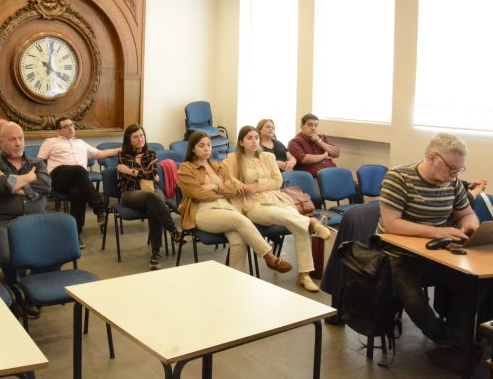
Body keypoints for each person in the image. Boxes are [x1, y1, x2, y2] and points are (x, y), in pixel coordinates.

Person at [377, 133, 481, 367]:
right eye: (451, 168)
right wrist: (437, 231)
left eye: (459, 170)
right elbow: (392, 224)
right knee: (414, 300)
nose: (455, 174)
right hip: (398, 255)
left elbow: (466, 213)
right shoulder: (398, 178)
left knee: (476, 282)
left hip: (437, 253)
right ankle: (450, 341)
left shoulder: (452, 182)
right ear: (433, 158)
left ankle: (452, 341)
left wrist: (470, 225)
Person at [224, 125, 332, 292]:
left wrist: (257, 185)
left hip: (275, 197)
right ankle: (310, 221)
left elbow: (277, 181)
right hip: (252, 204)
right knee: (278, 214)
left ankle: (304, 275)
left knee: (299, 227)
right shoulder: (232, 159)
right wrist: (240, 184)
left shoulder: (268, 157)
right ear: (241, 142)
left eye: (256, 137)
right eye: (249, 138)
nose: (254, 141)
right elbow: (226, 177)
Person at [177, 131, 293, 274]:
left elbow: (232, 190)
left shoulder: (218, 166)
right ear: (193, 149)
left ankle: (236, 278)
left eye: (208, 145)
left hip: (226, 208)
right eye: (201, 146)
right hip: (202, 211)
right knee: (240, 220)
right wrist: (221, 189)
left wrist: (214, 187)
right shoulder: (185, 168)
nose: (206, 148)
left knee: (239, 240)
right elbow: (197, 194)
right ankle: (268, 256)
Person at [0, 122, 51, 266]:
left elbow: (45, 186)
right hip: (4, 221)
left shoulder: (37, 163)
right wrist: (29, 177)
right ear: (0, 141)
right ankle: (15, 279)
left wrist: (11, 183)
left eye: (21, 138)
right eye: (12, 139)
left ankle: (36, 276)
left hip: (36, 217)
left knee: (54, 249)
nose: (18, 143)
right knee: (7, 256)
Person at [37, 117, 120, 237]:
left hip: (78, 179)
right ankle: (99, 207)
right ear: (58, 131)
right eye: (66, 127)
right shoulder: (50, 142)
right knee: (79, 170)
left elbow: (100, 153)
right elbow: (39, 161)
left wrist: (121, 149)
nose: (70, 128)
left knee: (78, 192)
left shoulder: (81, 143)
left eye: (71, 125)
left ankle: (76, 233)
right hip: (58, 177)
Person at [116, 124, 183, 270]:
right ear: (129, 140)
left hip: (153, 190)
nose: (140, 139)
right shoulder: (122, 155)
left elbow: (152, 174)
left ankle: (156, 253)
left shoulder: (151, 153)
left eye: (141, 135)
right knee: (153, 199)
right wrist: (144, 174)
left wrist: (131, 171)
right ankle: (173, 231)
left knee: (154, 205)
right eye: (135, 137)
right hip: (130, 193)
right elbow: (128, 180)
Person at [287, 113, 339, 178]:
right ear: (302, 126)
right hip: (314, 178)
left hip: (333, 173)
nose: (313, 128)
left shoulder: (322, 137)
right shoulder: (294, 142)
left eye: (316, 125)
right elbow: (304, 159)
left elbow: (336, 153)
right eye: (310, 125)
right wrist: (324, 156)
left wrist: (320, 142)